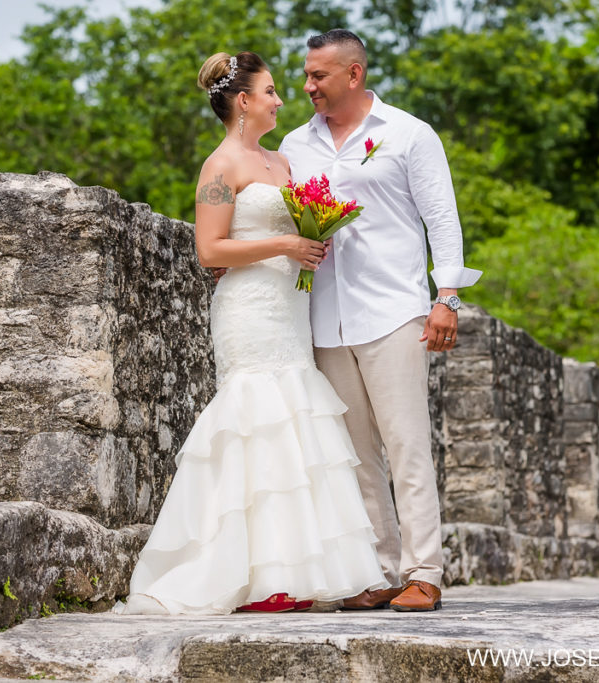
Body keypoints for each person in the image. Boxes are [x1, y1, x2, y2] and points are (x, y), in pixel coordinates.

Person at [111, 51, 388, 615]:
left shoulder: (282, 163)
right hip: (249, 310)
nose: (280, 100)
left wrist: (312, 243)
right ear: (243, 102)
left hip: (289, 309)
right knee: (257, 421)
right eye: (269, 92)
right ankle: (250, 577)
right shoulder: (220, 167)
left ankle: (295, 574)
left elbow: (294, 228)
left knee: (295, 427)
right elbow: (210, 250)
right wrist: (285, 244)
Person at [278, 29, 482, 612]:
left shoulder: (409, 134)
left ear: (354, 75)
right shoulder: (296, 143)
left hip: (395, 310)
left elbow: (442, 218)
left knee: (407, 444)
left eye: (319, 76)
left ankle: (425, 572)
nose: (308, 85)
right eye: (307, 74)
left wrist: (448, 297)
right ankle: (381, 571)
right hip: (325, 315)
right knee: (356, 451)